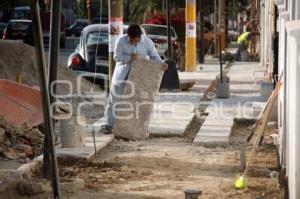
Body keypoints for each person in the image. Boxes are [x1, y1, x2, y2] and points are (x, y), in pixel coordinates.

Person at [99, 24, 168, 134]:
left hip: (139, 77)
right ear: (128, 36)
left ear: (140, 36)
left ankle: (138, 128)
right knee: (114, 101)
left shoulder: (148, 42)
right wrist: (130, 58)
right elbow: (116, 57)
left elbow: (154, 56)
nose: (134, 42)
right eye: (132, 40)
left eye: (136, 40)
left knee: (138, 102)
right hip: (121, 76)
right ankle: (108, 125)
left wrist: (162, 64)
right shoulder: (121, 41)